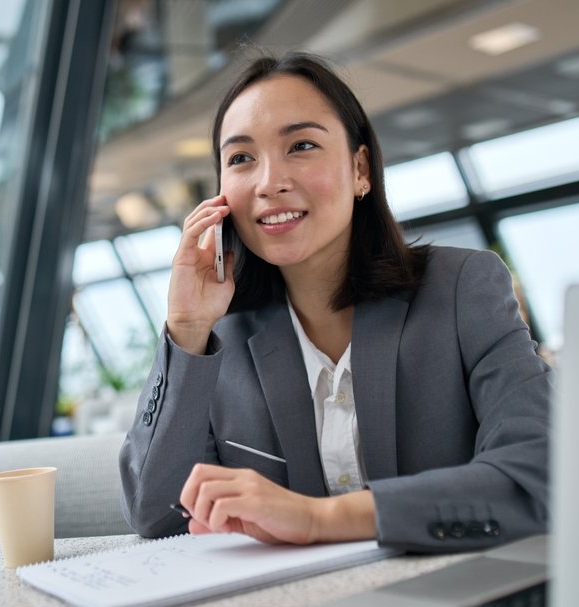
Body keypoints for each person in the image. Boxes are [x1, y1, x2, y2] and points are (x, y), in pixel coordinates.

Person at [118, 52, 551, 553]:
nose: (268, 182)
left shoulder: (462, 290)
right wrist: (187, 329)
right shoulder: (220, 337)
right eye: (241, 158)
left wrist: (319, 518)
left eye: (301, 145)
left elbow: (537, 476)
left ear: (360, 168)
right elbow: (155, 514)